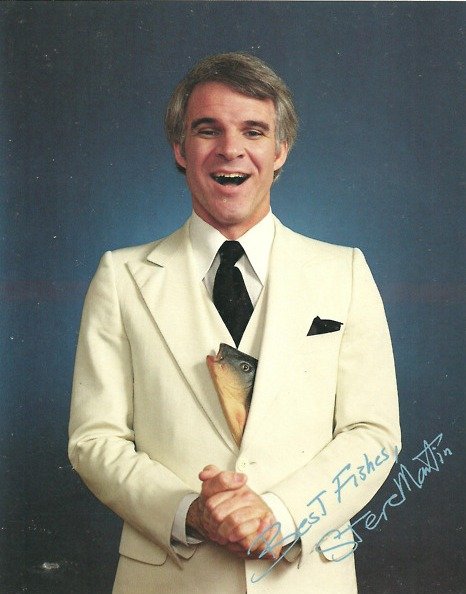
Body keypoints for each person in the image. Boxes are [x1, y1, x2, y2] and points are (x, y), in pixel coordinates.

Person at [68, 52, 401, 594]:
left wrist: (281, 514)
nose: (231, 149)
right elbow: (94, 438)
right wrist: (188, 511)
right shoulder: (120, 277)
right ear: (180, 148)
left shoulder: (345, 272)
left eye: (253, 130)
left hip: (305, 577)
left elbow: (374, 434)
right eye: (208, 130)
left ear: (280, 149)